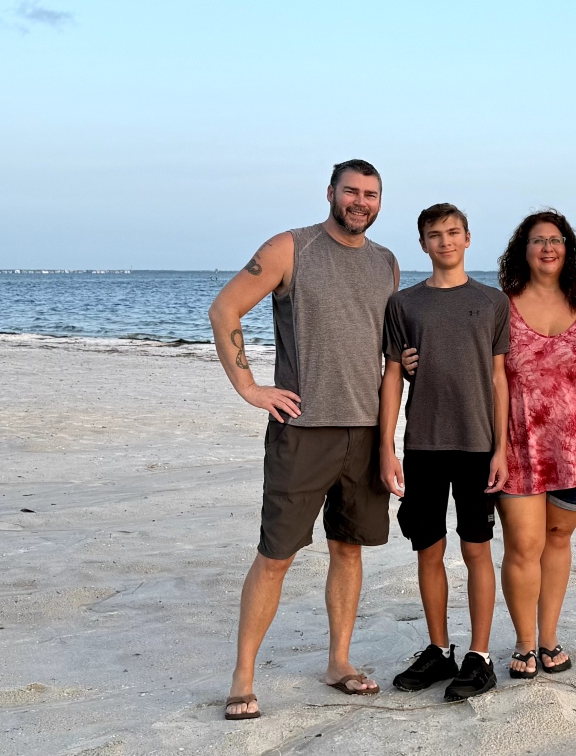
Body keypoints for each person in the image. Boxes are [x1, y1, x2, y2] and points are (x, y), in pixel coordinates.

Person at [208, 159, 399, 720]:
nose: (360, 202)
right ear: (331, 193)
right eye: (351, 192)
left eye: (371, 194)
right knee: (276, 555)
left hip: (364, 430)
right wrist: (249, 386)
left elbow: (381, 344)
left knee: (349, 546)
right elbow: (225, 309)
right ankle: (243, 676)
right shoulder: (290, 248)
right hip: (303, 428)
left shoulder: (386, 263)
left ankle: (338, 661)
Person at [379, 203, 509, 701]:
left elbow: (499, 379)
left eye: (453, 233)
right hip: (423, 444)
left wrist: (501, 448)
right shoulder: (404, 304)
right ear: (423, 244)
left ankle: (479, 656)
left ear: (469, 239)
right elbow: (392, 375)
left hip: (477, 444)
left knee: (476, 548)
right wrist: (388, 447)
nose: (445, 241)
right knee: (427, 548)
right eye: (435, 235)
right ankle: (438, 649)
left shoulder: (492, 302)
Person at [495, 210, 576, 679]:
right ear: (522, 251)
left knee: (558, 539)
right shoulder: (498, 307)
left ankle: (549, 638)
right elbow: (468, 364)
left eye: (557, 239)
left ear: (569, 249)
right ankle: (524, 643)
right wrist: (410, 358)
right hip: (516, 447)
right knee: (523, 545)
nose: (548, 247)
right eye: (538, 240)